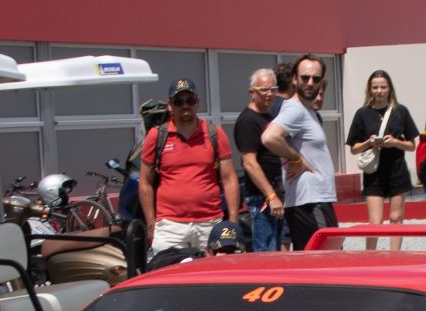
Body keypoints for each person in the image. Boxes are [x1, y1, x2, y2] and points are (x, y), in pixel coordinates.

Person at [136, 81, 243, 255]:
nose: (185, 105)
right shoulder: (156, 136)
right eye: (179, 102)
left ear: (197, 102)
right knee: (167, 278)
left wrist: (232, 220)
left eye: (190, 100)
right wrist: (151, 222)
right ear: (170, 105)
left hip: (210, 224)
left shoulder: (214, 133)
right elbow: (145, 182)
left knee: (211, 278)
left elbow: (229, 178)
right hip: (170, 226)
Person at [264, 53, 339, 250]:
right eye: (305, 78)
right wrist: (297, 158)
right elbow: (270, 137)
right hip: (310, 201)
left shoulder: (307, 110)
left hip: (314, 200)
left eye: (315, 78)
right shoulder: (295, 109)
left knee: (322, 261)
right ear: (295, 79)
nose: (310, 83)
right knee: (326, 261)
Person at [346, 69, 417, 252]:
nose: (379, 91)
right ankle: (370, 257)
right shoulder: (362, 113)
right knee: (375, 222)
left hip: (397, 171)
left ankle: (395, 257)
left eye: (383, 87)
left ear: (389, 89)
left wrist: (394, 142)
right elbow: (353, 148)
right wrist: (369, 143)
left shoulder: (400, 112)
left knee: (396, 218)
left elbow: (411, 145)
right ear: (369, 90)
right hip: (374, 173)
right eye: (375, 87)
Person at [230, 69, 288, 254]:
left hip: (276, 194)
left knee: (277, 251)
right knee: (266, 254)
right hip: (262, 198)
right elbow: (249, 163)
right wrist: (271, 196)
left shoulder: (269, 117)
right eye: (264, 89)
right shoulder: (248, 121)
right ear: (252, 92)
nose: (269, 94)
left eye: (273, 89)